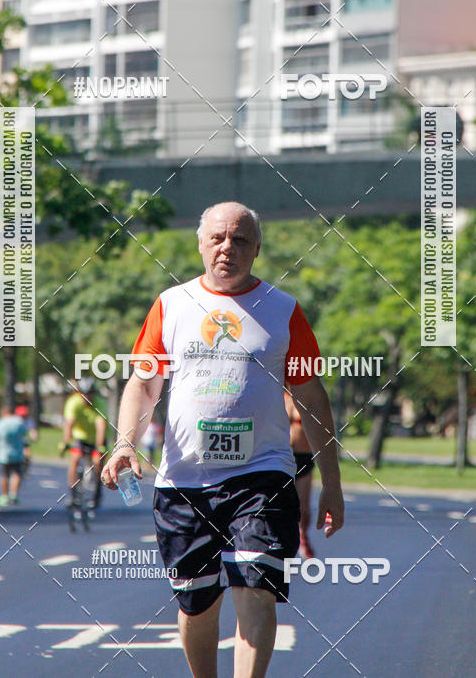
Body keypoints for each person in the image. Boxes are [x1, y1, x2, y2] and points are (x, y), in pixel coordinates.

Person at [102, 201, 344, 678]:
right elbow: (144, 383)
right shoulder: (171, 305)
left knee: (255, 585)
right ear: (200, 245)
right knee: (197, 602)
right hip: (183, 480)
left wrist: (332, 482)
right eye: (217, 238)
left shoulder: (284, 311)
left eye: (239, 240)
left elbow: (312, 397)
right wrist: (125, 443)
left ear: (257, 249)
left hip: (263, 474)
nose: (227, 248)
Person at [62, 375, 107, 510]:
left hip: (96, 438)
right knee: (74, 460)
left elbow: (101, 425)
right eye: (85, 394)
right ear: (79, 393)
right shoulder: (73, 402)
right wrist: (65, 442)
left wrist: (99, 447)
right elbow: (69, 424)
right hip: (80, 437)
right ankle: (73, 494)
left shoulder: (99, 403)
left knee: (97, 462)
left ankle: (97, 493)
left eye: (90, 394)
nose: (88, 397)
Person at [284, 389, 315, 560]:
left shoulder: (308, 397)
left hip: (304, 456)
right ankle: (286, 541)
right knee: (285, 504)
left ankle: (303, 537)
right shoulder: (281, 398)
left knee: (304, 507)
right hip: (286, 457)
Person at [0, 405, 28, 506]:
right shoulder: (19, 422)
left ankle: (5, 496)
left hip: (4, 453)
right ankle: (14, 494)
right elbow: (25, 433)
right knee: (16, 474)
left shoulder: (0, 423)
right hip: (18, 452)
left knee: (5, 474)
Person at [15, 404, 38, 477]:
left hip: (24, 442)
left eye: (24, 415)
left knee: (27, 454)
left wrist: (33, 437)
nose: (23, 417)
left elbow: (33, 431)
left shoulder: (28, 421)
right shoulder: (14, 421)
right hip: (14, 442)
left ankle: (25, 469)